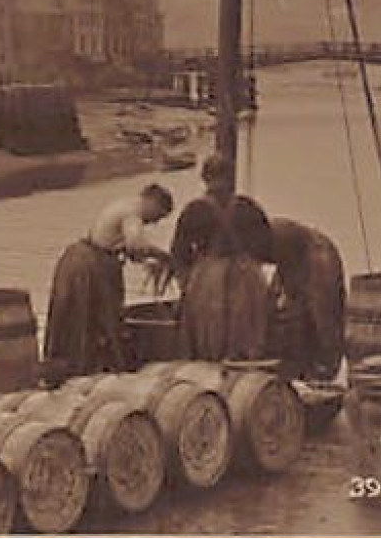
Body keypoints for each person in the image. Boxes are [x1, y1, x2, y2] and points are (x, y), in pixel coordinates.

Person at [43, 183, 175, 379]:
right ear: (153, 203)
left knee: (73, 316)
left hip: (78, 258)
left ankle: (71, 365)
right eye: (159, 216)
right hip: (92, 266)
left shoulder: (124, 204)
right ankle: (88, 368)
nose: (154, 222)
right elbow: (135, 246)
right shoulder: (133, 213)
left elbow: (127, 248)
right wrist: (162, 256)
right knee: (99, 319)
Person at [170, 155, 272, 361]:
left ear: (204, 178)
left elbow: (179, 252)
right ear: (231, 177)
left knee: (206, 339)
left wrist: (187, 283)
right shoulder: (249, 208)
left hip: (207, 281)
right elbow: (266, 247)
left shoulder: (194, 210)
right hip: (246, 279)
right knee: (248, 337)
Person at [264, 217, 346, 382]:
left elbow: (327, 327)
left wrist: (322, 371)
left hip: (312, 365)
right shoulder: (284, 260)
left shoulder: (320, 260)